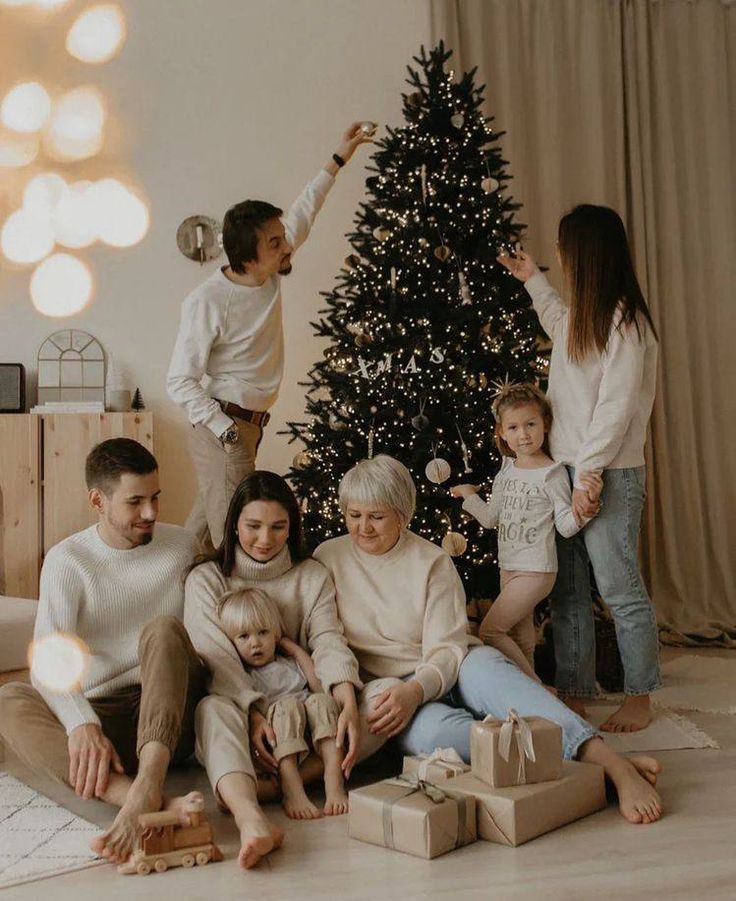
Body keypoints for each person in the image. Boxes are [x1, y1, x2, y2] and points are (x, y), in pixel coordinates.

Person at [314, 455, 663, 824]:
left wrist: (418, 688)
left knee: (499, 678)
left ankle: (611, 764)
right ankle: (584, 768)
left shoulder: (430, 561)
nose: (363, 527)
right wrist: (403, 694)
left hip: (451, 664)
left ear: (402, 514)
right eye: (354, 515)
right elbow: (326, 638)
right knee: (431, 736)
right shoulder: (328, 558)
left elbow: (448, 647)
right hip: (391, 689)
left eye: (376, 516)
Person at [167, 122, 374, 550]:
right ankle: (231, 615)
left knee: (201, 534)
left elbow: (305, 208)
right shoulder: (208, 300)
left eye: (282, 239)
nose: (287, 247)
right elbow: (179, 380)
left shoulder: (269, 270)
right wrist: (225, 431)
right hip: (226, 425)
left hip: (248, 425)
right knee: (234, 541)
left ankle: (168, 601)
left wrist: (340, 157)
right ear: (248, 254)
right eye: (276, 242)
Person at [0, 439, 205, 864]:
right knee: (8, 700)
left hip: (171, 712)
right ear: (97, 500)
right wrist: (80, 724)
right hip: (106, 721)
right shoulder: (68, 560)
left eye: (155, 498)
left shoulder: (184, 547)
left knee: (164, 630)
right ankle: (139, 800)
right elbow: (48, 662)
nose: (150, 513)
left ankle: (147, 785)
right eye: (135, 502)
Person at [497, 204, 661, 732]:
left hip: (608, 473)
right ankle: (574, 690)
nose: (560, 258)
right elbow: (555, 317)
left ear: (586, 254)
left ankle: (640, 696)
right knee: (566, 590)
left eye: (565, 250)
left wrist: (589, 475)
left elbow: (614, 410)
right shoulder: (580, 316)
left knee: (617, 587)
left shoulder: (627, 325)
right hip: (561, 472)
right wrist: (532, 281)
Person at [183, 471, 361, 870]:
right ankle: (252, 815)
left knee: (376, 703)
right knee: (210, 710)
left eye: (278, 527)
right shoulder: (207, 579)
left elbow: (328, 641)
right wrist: (255, 716)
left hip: (307, 715)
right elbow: (217, 661)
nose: (265, 539)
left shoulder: (311, 575)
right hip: (246, 721)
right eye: (253, 527)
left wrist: (345, 702)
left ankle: (273, 783)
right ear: (233, 526)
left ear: (292, 526)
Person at [450, 382, 602, 682]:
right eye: (514, 427)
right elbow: (491, 518)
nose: (524, 434)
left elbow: (565, 526)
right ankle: (532, 709)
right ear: (502, 433)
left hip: (536, 571)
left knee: (490, 631)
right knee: (522, 642)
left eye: (530, 424)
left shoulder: (552, 473)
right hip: (509, 567)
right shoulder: (506, 470)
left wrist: (584, 510)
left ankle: (537, 691)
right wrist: (469, 496)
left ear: (544, 424)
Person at [216, 586, 348, 820]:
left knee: (323, 701)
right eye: (244, 636)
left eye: (263, 632)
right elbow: (248, 710)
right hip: (278, 740)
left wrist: (295, 650)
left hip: (312, 731)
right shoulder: (244, 677)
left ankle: (333, 778)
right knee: (287, 707)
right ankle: (292, 788)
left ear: (276, 634)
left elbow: (317, 685)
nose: (255, 643)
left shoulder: (288, 663)